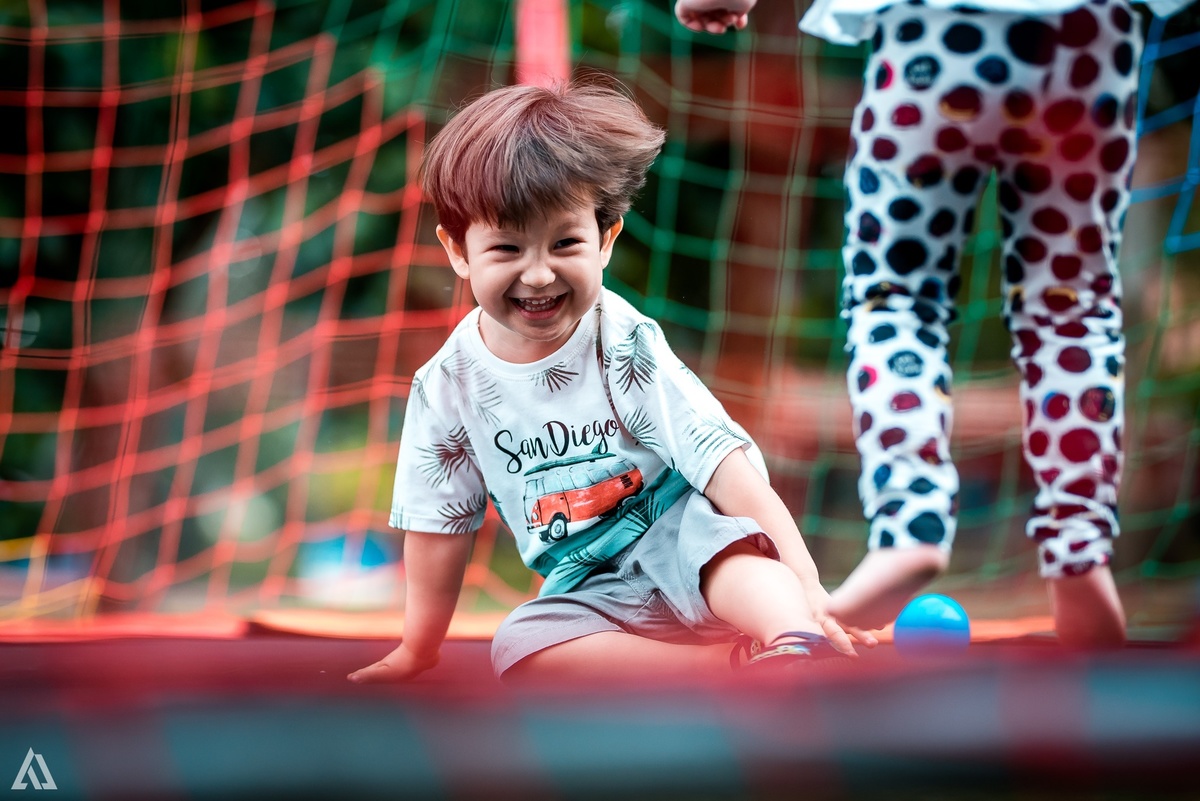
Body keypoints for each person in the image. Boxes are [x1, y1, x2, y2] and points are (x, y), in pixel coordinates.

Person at [675, 0, 1191, 647]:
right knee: (1072, 306)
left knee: (896, 297)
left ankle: (908, 527)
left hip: (936, 37)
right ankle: (1079, 549)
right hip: (1086, 41)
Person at [349, 79, 871, 684]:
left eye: (565, 242)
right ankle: (725, 667)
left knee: (736, 561)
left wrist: (807, 585)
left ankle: (795, 640)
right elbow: (440, 523)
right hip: (588, 584)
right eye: (507, 248)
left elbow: (720, 460)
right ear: (458, 250)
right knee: (520, 645)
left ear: (607, 239)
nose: (539, 274)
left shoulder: (620, 339)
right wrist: (418, 648)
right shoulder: (446, 386)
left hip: (679, 535)